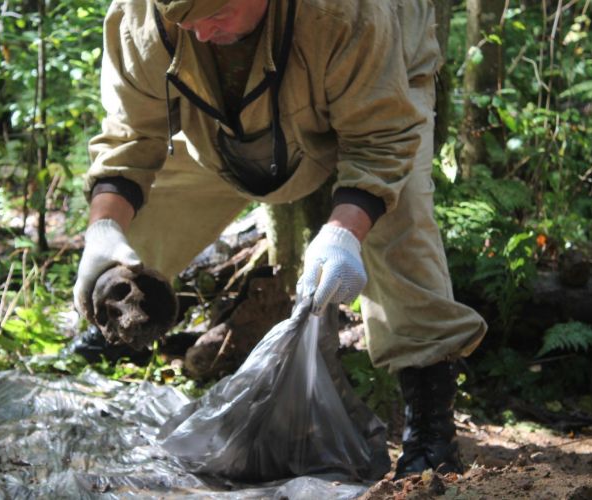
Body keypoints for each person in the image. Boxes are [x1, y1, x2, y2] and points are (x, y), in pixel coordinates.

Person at [73, 0, 487, 478]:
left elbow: (380, 142)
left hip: (379, 91)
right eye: (186, 21)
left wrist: (343, 232)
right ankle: (122, 319)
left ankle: (430, 423)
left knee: (400, 221)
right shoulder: (142, 17)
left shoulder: (348, 11)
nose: (202, 34)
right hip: (226, 128)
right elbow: (130, 137)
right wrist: (104, 232)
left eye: (215, 14)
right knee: (136, 217)